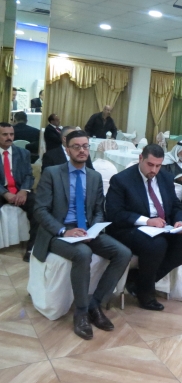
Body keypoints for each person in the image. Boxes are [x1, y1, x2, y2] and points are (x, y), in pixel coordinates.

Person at [32, 130, 131, 340]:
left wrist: (93, 230)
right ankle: (81, 312)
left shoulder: (94, 176)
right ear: (67, 150)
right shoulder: (52, 173)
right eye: (76, 147)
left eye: (85, 146)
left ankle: (95, 305)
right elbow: (40, 210)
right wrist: (64, 231)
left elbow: (99, 210)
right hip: (58, 232)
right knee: (83, 253)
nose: (82, 150)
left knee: (123, 252)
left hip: (86, 230)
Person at [105, 144, 182, 311]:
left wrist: (179, 221)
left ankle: (138, 281)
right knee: (157, 244)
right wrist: (147, 221)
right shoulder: (121, 179)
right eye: (150, 164)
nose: (154, 170)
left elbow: (176, 206)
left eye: (158, 165)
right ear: (141, 158)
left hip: (161, 227)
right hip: (128, 228)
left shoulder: (165, 177)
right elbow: (114, 214)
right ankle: (146, 294)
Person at [0, 122, 36, 262]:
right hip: (2, 191)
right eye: (5, 134)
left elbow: (29, 176)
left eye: (11, 134)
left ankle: (32, 248)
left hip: (20, 190)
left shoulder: (23, 153)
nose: (9, 137)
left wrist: (23, 191)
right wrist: (4, 193)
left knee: (39, 208)